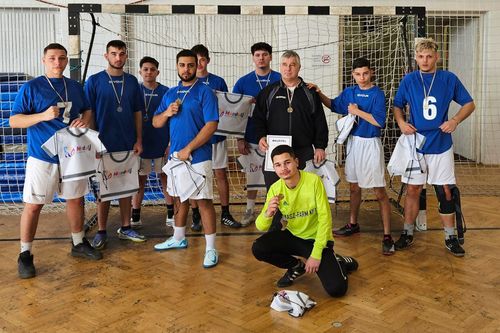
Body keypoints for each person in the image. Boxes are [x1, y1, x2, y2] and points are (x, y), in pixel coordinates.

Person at [10, 43, 102, 279]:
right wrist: (42, 116)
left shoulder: (74, 86)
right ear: (44, 60)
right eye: (52, 58)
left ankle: (78, 242)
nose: (57, 63)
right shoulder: (31, 87)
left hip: (72, 155)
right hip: (42, 157)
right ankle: (25, 254)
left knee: (75, 200)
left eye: (62, 58)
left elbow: (88, 110)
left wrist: (85, 121)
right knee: (33, 205)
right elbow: (14, 121)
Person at [393, 38, 475, 256]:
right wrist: (401, 122)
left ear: (437, 57)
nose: (425, 60)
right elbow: (397, 105)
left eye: (429, 56)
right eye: (421, 56)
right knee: (412, 190)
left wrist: (455, 120)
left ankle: (450, 237)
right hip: (415, 145)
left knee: (445, 191)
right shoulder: (409, 79)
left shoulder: (448, 78)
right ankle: (407, 233)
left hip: (441, 143)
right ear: (416, 58)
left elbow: (469, 104)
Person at [309, 57, 394, 255]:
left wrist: (357, 111)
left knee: (379, 191)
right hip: (354, 144)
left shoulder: (377, 94)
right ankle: (352, 223)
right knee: (354, 188)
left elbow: (379, 121)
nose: (361, 77)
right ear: (353, 75)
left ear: (371, 72)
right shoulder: (350, 92)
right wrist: (319, 92)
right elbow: (333, 105)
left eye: (365, 73)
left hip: (371, 144)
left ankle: (388, 235)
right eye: (357, 74)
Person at [252, 145, 358, 296]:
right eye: (278, 165)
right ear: (274, 168)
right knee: (258, 247)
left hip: (317, 240)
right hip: (294, 236)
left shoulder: (313, 181)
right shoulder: (275, 189)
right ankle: (296, 266)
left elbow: (325, 219)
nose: (284, 168)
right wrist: (268, 214)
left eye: (287, 162)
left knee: (337, 290)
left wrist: (315, 255)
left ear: (296, 161)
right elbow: (260, 226)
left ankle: (339, 262)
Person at [152, 49, 220, 268]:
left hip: (198, 157)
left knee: (203, 202)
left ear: (198, 65)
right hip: (176, 157)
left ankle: (211, 249)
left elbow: (211, 125)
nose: (187, 69)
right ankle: (179, 238)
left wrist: (189, 148)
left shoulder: (205, 92)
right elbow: (155, 123)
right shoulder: (170, 93)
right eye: (182, 65)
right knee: (180, 198)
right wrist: (166, 114)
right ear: (177, 66)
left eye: (191, 65)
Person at [253, 50, 328, 230]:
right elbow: (257, 119)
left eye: (292, 65)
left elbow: (320, 121)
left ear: (299, 67)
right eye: (285, 65)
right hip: (276, 153)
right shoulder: (268, 92)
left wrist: (320, 146)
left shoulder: (310, 93)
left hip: (303, 151)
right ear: (280, 67)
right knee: (275, 192)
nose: (288, 69)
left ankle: (305, 230)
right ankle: (274, 230)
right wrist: (261, 136)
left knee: (305, 191)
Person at [85, 40, 146, 249]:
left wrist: (138, 139)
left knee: (127, 187)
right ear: (106, 56)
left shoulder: (132, 82)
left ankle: (126, 227)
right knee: (104, 188)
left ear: (126, 56)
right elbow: (89, 113)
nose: (118, 58)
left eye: (121, 54)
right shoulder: (94, 81)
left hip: (128, 143)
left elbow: (138, 112)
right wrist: (94, 142)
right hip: (103, 144)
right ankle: (101, 231)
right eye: (113, 54)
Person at [188, 44, 241, 231]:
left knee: (220, 174)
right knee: (195, 177)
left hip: (216, 137)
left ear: (208, 60)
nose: (200, 63)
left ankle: (225, 213)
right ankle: (196, 215)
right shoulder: (188, 84)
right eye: (196, 60)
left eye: (203, 59)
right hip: (195, 139)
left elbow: (229, 108)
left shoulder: (218, 81)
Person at [233, 42, 281, 227]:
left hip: (277, 138)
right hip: (252, 136)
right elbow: (236, 112)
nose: (261, 58)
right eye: (258, 55)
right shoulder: (243, 82)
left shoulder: (280, 78)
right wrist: (239, 138)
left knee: (278, 178)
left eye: (265, 54)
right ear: (253, 58)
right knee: (252, 177)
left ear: (270, 56)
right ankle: (250, 210)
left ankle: (278, 212)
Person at [130, 56, 174, 229]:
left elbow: (173, 119)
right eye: (145, 69)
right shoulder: (134, 91)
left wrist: (170, 143)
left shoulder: (167, 91)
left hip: (161, 142)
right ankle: (135, 216)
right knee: (139, 180)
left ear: (158, 72)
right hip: (141, 143)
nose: (149, 72)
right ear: (140, 71)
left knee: (165, 178)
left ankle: (171, 213)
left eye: (152, 69)